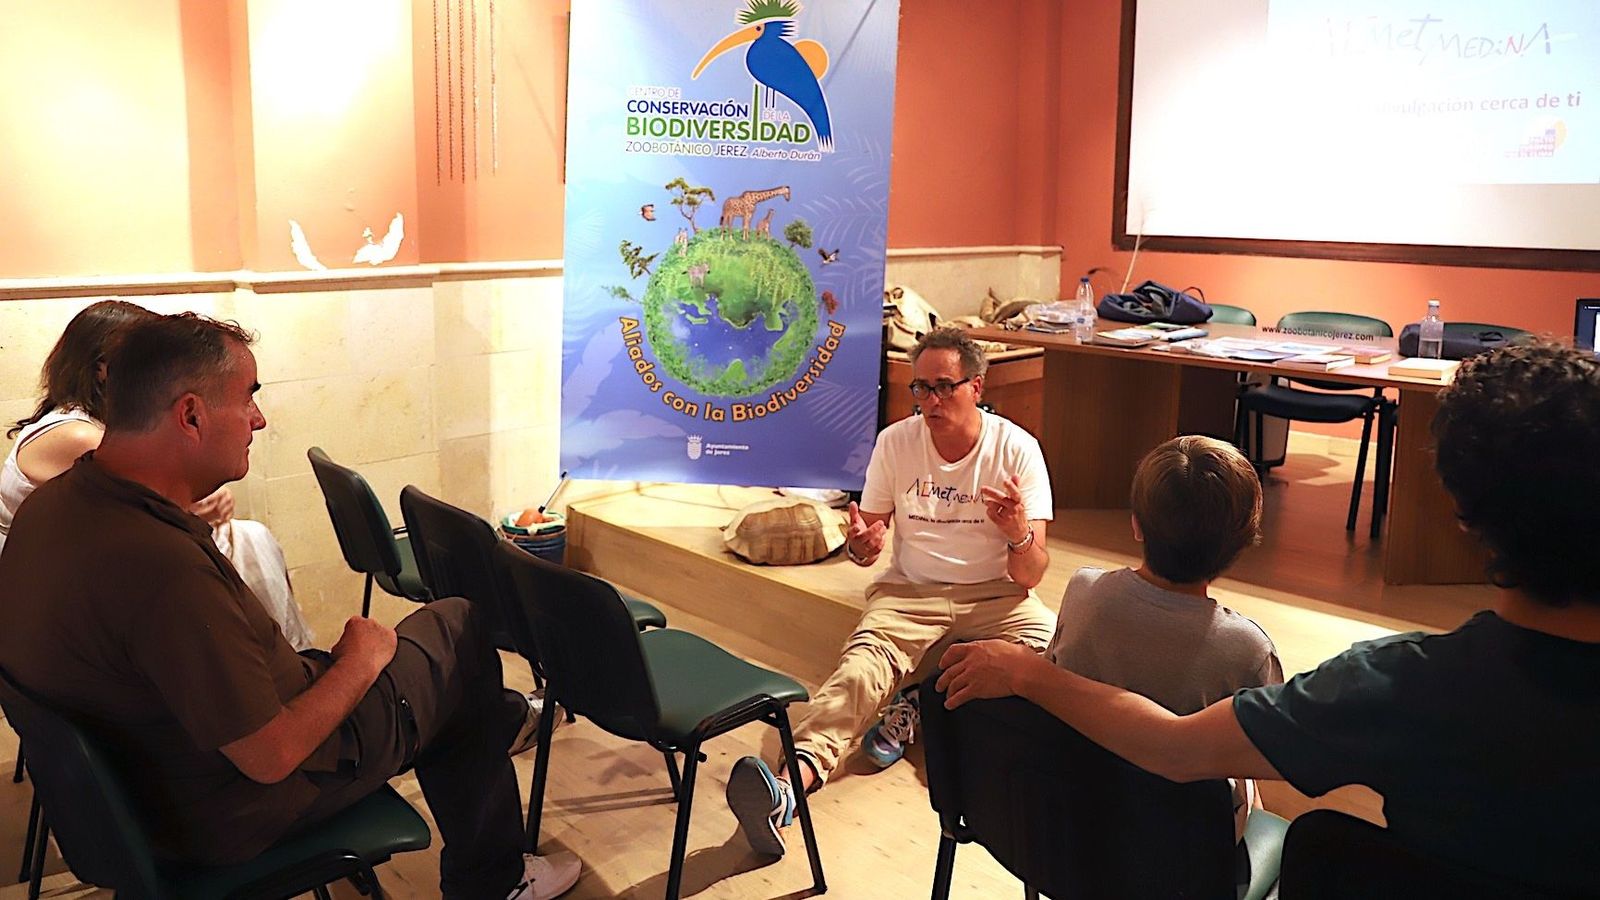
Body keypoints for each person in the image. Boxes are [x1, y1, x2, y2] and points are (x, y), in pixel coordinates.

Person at [937, 341, 1600, 894]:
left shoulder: (1394, 686)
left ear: (1462, 518)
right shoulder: (1257, 650)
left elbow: (1175, 747)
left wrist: (1026, 673)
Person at [0, 313, 580, 900]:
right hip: (247, 806)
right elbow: (270, 755)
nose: (258, 419)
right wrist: (358, 660)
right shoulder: (159, 566)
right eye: (247, 398)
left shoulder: (53, 509)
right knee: (459, 628)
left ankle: (497, 720)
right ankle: (495, 879)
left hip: (155, 793)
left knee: (453, 680)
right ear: (191, 415)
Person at [726, 325, 1056, 857]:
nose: (931, 401)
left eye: (944, 386)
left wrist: (1018, 532)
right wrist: (862, 546)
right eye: (921, 388)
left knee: (1056, 657)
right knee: (859, 672)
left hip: (997, 596)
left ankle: (921, 699)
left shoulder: (1017, 450)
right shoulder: (895, 442)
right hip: (909, 594)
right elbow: (868, 543)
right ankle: (787, 792)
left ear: (976, 387)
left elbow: (1031, 575)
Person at [0, 300, 314, 650]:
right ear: (103, 369)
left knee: (245, 539)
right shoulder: (78, 435)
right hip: (47, 585)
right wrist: (203, 500)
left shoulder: (95, 423)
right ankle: (283, 655)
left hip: (85, 563)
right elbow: (159, 503)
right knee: (242, 543)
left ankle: (279, 654)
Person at [1047, 435, 1281, 842]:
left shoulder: (1083, 591)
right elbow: (1272, 754)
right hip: (1185, 857)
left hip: (1071, 836)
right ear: (1242, 542)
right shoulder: (1248, 649)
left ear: (1136, 524)